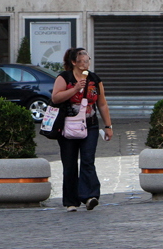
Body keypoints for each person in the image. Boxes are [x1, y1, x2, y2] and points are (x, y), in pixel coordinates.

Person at [50, 47, 113, 212]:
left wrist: (108, 126)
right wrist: (75, 88)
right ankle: (71, 202)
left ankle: (90, 196)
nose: (85, 64)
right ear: (73, 63)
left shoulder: (94, 79)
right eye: (82, 62)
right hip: (68, 125)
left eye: (87, 61)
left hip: (90, 124)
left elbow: (102, 103)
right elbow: (55, 98)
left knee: (88, 159)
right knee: (70, 163)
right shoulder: (64, 78)